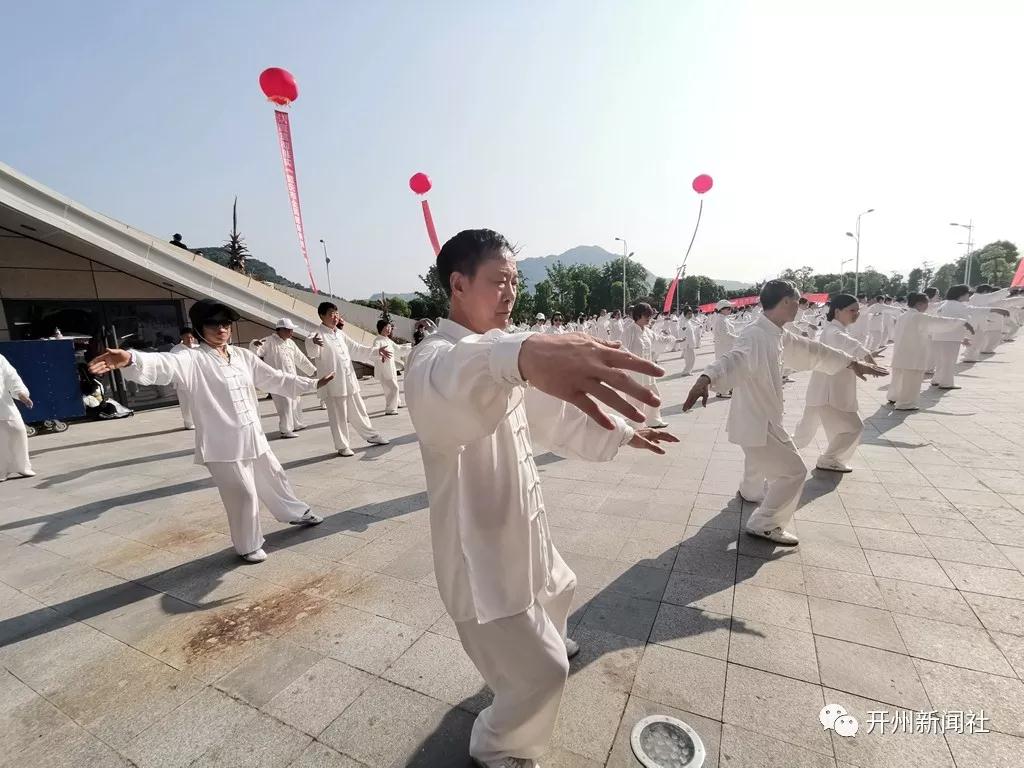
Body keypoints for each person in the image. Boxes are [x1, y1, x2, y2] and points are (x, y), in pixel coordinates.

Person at [406, 229, 676, 768]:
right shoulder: (434, 359)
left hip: (524, 529)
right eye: (498, 281)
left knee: (561, 585)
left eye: (514, 282)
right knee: (546, 673)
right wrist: (523, 352)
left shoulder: (501, 356)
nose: (511, 293)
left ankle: (530, 651)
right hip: (480, 554)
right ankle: (498, 743)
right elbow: (458, 376)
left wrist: (623, 430)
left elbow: (553, 414)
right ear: (458, 284)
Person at [88, 299, 332, 562]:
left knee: (274, 476)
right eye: (213, 324)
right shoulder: (191, 358)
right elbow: (164, 365)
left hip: (252, 435)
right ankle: (247, 545)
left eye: (225, 324)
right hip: (222, 444)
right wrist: (130, 359)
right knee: (243, 493)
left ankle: (296, 513)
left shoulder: (242, 356)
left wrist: (312, 383)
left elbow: (274, 378)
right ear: (199, 328)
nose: (221, 329)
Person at [683, 280, 886, 545]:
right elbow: (734, 358)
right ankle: (765, 522)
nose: (800, 307)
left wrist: (850, 362)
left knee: (758, 460)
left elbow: (812, 350)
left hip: (762, 418)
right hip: (758, 420)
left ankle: (749, 491)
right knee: (794, 472)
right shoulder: (755, 334)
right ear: (787, 301)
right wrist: (707, 377)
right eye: (797, 301)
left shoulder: (777, 333)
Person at [793, 295, 876, 472]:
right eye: (852, 310)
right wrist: (864, 353)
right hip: (829, 394)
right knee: (854, 428)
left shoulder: (836, 329)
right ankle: (829, 459)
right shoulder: (833, 331)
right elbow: (846, 343)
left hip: (824, 392)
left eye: (857, 310)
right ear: (837, 311)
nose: (856, 314)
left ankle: (781, 454)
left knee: (804, 434)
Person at [305, 302, 391, 457]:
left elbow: (356, 349)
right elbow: (311, 350)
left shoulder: (340, 334)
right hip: (333, 383)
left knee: (360, 410)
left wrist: (377, 351)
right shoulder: (317, 334)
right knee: (338, 416)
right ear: (321, 316)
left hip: (349, 380)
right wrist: (313, 343)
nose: (335, 317)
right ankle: (342, 445)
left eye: (336, 313)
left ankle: (371, 435)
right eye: (331, 314)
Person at [888, 292, 972, 410]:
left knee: (899, 378)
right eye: (927, 303)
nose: (928, 306)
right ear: (920, 304)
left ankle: (894, 397)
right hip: (913, 355)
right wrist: (962, 322)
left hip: (901, 353)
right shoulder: (918, 316)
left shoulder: (904, 316)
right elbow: (939, 321)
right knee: (911, 381)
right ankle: (905, 403)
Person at [249, 318, 317, 438]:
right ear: (280, 330)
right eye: (289, 330)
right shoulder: (268, 341)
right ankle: (285, 430)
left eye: (291, 330)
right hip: (278, 380)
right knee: (284, 404)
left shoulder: (290, 343)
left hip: (292, 377)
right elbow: (256, 350)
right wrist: (254, 343)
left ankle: (297, 424)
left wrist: (313, 371)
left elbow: (300, 358)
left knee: (295, 400)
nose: (291, 333)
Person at [619, 302, 669, 428]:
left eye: (650, 316)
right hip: (634, 371)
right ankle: (636, 422)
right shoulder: (629, 330)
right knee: (635, 398)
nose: (649, 318)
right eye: (646, 315)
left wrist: (674, 340)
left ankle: (653, 420)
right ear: (638, 315)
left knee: (654, 395)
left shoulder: (647, 331)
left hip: (647, 370)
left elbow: (658, 340)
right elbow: (623, 348)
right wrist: (634, 360)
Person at [0, 353, 35, 481]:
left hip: (4, 405)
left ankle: (22, 467)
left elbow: (11, 377)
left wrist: (21, 393)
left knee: (18, 430)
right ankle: (1, 471)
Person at [372, 318, 403, 415]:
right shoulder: (378, 340)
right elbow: (374, 352)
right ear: (381, 328)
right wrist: (380, 355)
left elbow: (398, 348)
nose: (389, 329)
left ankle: (396, 403)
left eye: (390, 327)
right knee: (394, 388)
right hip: (384, 369)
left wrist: (412, 347)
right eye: (387, 327)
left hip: (391, 368)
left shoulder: (388, 340)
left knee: (390, 388)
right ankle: (390, 409)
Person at [170, 326, 199, 429]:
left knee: (199, 402)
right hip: (183, 381)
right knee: (186, 403)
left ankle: (200, 421)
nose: (190, 339)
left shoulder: (198, 348)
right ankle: (188, 422)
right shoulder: (176, 350)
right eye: (187, 337)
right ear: (182, 337)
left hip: (198, 380)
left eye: (191, 337)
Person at [710, 299, 737, 397]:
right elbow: (725, 335)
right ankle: (722, 391)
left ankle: (727, 389)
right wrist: (738, 338)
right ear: (722, 309)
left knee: (728, 369)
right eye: (729, 308)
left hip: (727, 347)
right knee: (724, 370)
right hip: (724, 348)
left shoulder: (723, 318)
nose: (731, 310)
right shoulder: (721, 320)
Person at [677, 308, 699, 375]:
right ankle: (686, 371)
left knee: (690, 358)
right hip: (687, 344)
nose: (690, 315)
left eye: (691, 313)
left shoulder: (688, 321)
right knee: (691, 358)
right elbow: (682, 332)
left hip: (690, 343)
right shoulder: (683, 322)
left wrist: (697, 327)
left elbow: (691, 330)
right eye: (688, 314)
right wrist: (685, 343)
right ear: (685, 314)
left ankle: (687, 371)